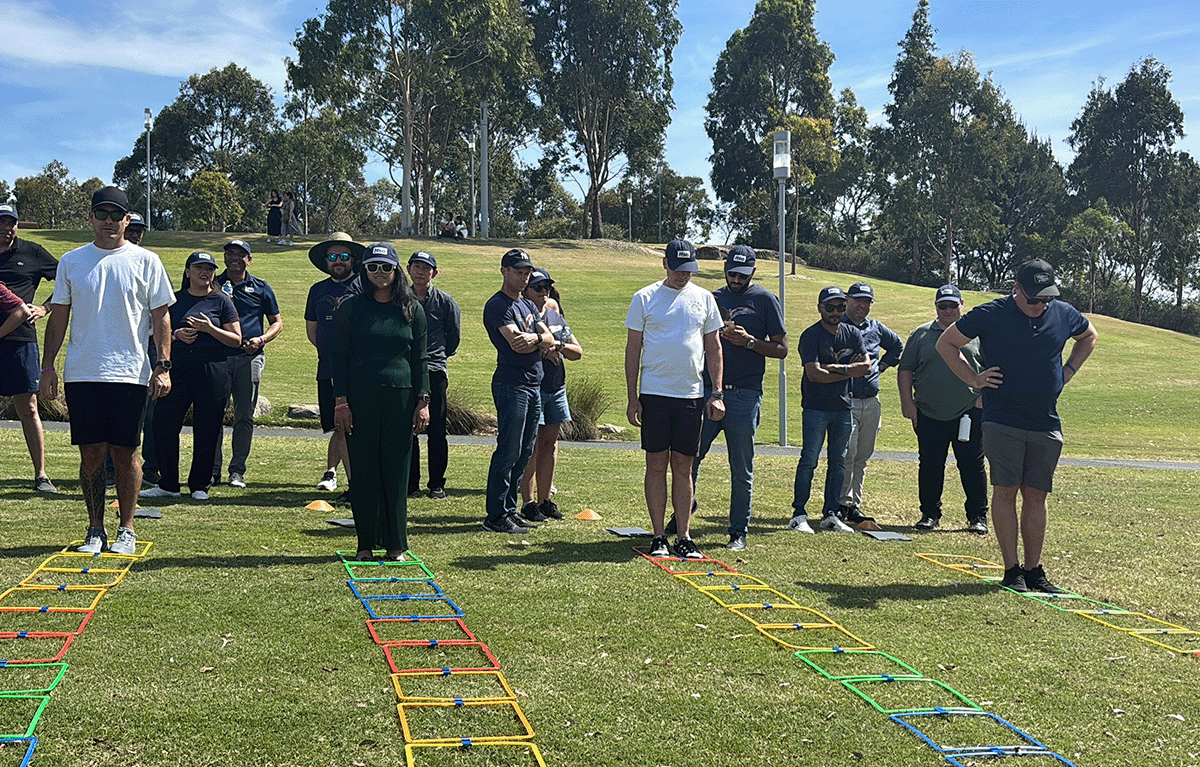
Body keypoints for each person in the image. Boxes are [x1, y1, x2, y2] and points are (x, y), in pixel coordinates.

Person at [937, 259, 1097, 594]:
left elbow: (1089, 336)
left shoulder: (1064, 313)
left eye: (1046, 298)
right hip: (1003, 417)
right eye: (1033, 298)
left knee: (1037, 494)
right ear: (1017, 289)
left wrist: (1067, 371)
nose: (1040, 305)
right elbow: (946, 344)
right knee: (1006, 490)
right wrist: (974, 379)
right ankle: (1012, 570)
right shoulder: (992, 313)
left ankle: (1034, 569)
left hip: (1045, 420)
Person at [40, 186, 174, 555]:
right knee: (91, 454)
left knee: (126, 453)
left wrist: (162, 366)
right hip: (82, 372)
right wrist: (48, 365)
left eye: (117, 215)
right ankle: (95, 529)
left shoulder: (146, 261)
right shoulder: (71, 261)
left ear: (127, 220)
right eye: (103, 214)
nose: (110, 221)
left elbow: (162, 315)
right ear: (91, 218)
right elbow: (59, 318)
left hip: (130, 372)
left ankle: (126, 529)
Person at [625, 239, 725, 559]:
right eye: (679, 269)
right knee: (656, 465)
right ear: (665, 264)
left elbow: (714, 348)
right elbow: (632, 350)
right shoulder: (644, 297)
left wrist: (717, 392)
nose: (684, 275)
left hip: (691, 396)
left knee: (684, 467)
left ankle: (684, 536)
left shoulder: (704, 298)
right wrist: (632, 397)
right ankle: (658, 537)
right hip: (654, 394)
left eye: (690, 269)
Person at [331, 243, 430, 561]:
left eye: (385, 267)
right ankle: (365, 545)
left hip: (401, 398)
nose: (379, 273)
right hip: (360, 397)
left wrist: (423, 400)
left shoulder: (412, 308)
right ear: (365, 271)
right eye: (372, 267)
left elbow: (421, 358)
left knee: (397, 470)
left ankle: (396, 544)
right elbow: (339, 358)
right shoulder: (351, 307)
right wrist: (341, 402)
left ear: (395, 271)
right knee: (363, 470)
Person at [691, 246, 787, 551]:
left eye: (742, 275)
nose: (735, 279)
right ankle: (682, 516)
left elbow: (782, 349)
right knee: (689, 457)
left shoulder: (765, 300)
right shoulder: (712, 298)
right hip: (708, 391)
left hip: (746, 394)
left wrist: (749, 342)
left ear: (753, 273)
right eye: (731, 273)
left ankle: (738, 531)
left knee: (741, 467)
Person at [141, 252, 241, 501]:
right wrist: (176, 335)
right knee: (164, 423)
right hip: (179, 367)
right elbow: (156, 330)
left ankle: (199, 485)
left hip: (212, 367)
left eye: (209, 268)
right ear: (187, 271)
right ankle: (168, 484)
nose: (204, 272)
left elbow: (236, 339)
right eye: (199, 268)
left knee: (208, 426)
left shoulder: (222, 301)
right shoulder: (174, 300)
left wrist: (210, 329)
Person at [898, 285, 989, 534]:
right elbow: (906, 368)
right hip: (928, 411)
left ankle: (977, 517)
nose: (948, 310)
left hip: (968, 411)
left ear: (963, 304)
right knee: (930, 464)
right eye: (942, 305)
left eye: (952, 305)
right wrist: (908, 403)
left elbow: (994, 369)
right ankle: (930, 514)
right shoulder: (922, 334)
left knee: (972, 463)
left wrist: (984, 399)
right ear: (936, 306)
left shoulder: (978, 334)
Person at [481, 248, 556, 534]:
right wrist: (540, 339)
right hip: (511, 383)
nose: (524, 278)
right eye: (518, 272)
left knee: (525, 452)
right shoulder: (498, 305)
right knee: (509, 450)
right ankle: (495, 514)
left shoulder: (526, 305)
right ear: (504, 272)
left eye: (527, 272)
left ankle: (509, 509)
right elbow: (516, 343)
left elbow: (549, 338)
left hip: (533, 384)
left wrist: (536, 338)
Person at [789, 286, 870, 534]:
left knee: (839, 463)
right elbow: (814, 375)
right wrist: (847, 370)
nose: (835, 312)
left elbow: (865, 367)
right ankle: (798, 514)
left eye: (839, 307)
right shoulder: (811, 335)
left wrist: (835, 368)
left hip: (843, 407)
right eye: (830, 307)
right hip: (816, 408)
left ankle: (831, 514)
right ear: (820, 308)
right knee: (809, 460)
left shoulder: (852, 333)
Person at [213, 240, 283, 488]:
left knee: (244, 415)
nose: (234, 258)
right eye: (230, 253)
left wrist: (262, 339)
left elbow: (277, 322)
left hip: (249, 357)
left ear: (249, 259)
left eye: (240, 254)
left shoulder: (261, 288)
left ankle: (237, 471)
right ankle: (212, 470)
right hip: (218, 357)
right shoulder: (213, 284)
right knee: (213, 415)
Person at [0, 202, 59, 492]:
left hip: (21, 341)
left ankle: (41, 474)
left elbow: (66, 279)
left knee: (28, 407)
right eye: (1, 222)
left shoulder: (32, 252)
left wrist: (46, 308)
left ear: (17, 225)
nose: (5, 228)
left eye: (10, 223)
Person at [518, 268, 582, 522]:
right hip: (532, 387)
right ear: (526, 290)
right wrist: (541, 348)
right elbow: (517, 344)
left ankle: (545, 500)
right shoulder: (520, 314)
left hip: (556, 387)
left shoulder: (555, 318)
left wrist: (557, 345)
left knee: (550, 443)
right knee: (531, 445)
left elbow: (577, 351)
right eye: (537, 287)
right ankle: (528, 502)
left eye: (546, 287)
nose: (543, 292)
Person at [837, 282, 903, 525]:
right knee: (848, 453)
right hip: (846, 400)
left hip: (871, 401)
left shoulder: (875, 328)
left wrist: (882, 366)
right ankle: (840, 503)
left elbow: (897, 346)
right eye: (857, 300)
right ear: (847, 299)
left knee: (862, 456)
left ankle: (854, 505)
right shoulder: (838, 326)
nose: (862, 305)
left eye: (867, 301)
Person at [305, 233, 364, 503]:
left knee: (360, 427)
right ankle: (353, 484)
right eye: (332, 257)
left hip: (361, 370)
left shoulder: (365, 285)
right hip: (327, 369)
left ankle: (361, 484)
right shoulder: (317, 290)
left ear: (352, 259)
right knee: (340, 426)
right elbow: (313, 331)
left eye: (343, 257)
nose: (338, 262)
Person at [406, 251, 461, 500]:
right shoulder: (399, 299)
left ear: (434, 273)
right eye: (416, 266)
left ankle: (437, 483)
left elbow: (453, 337)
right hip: (406, 370)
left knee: (436, 429)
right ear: (408, 270)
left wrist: (436, 357)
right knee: (409, 429)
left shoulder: (445, 302)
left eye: (426, 268)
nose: (420, 271)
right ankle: (410, 484)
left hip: (435, 369)